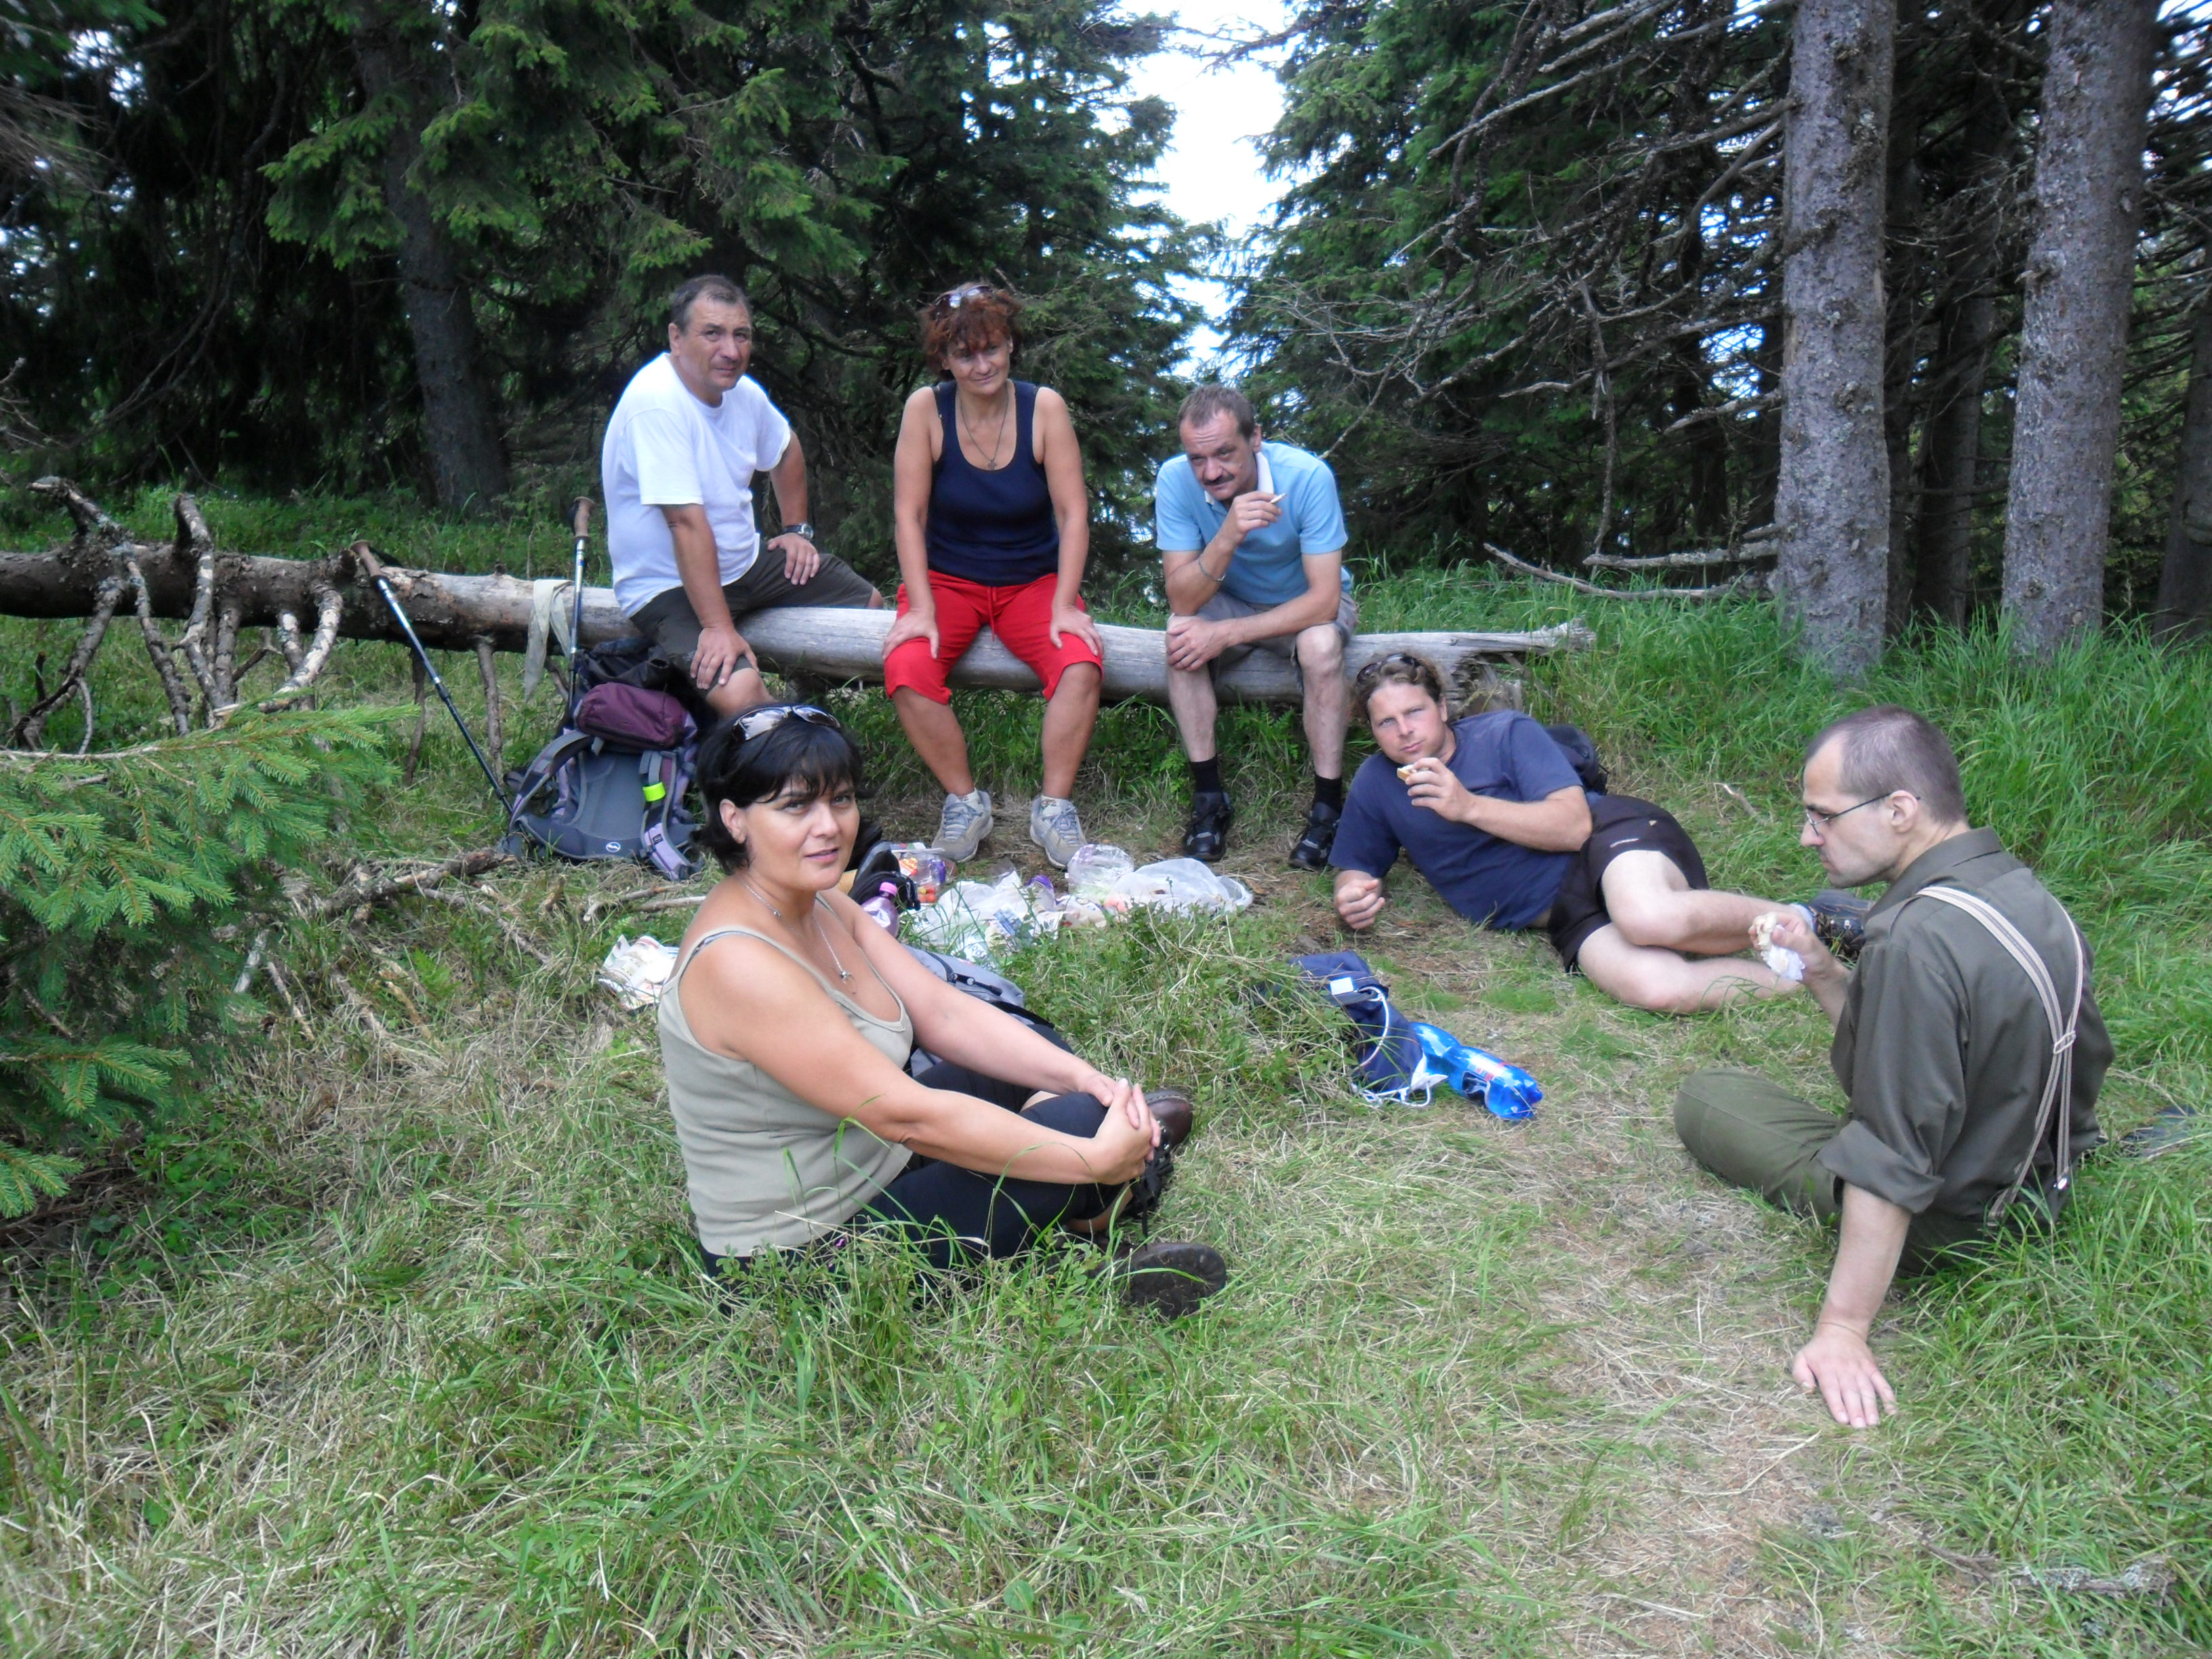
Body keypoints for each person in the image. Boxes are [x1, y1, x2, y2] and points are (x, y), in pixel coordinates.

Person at [660, 702, 1228, 1315]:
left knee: (1050, 1067)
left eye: (841, 800)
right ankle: (1092, 1224)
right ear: (735, 819)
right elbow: (908, 1117)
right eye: (796, 806)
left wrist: (1087, 1079)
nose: (828, 826)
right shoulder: (738, 963)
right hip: (801, 1261)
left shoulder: (819, 904)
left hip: (874, 1165)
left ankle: (1088, 1200)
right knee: (1079, 1129)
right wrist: (1091, 1157)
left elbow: (945, 1013)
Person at [1675, 707, 2110, 1428]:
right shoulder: (2021, 894)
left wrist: (1843, 1329)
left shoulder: (1914, 942)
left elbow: (1891, 1152)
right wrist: (1821, 969)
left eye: (1823, 816)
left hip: (1960, 1221)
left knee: (1708, 1096)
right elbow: (2044, 1053)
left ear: (1900, 810)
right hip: (2041, 1183)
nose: (1807, 836)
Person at [1330, 654, 1812, 1012]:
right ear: (1371, 730)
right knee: (1657, 987)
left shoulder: (1504, 734)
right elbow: (1357, 864)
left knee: (1647, 918)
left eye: (1414, 712)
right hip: (1562, 910)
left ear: (1441, 707)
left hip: (1610, 842)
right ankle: (1809, 977)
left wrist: (1469, 806)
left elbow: (1575, 826)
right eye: (1386, 722)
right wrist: (1352, 893)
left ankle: (1804, 920)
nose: (1404, 731)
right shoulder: (1377, 782)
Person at [884, 283, 1104, 868]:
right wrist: (921, 608)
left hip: (1033, 581)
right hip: (946, 581)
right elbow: (909, 516)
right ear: (944, 359)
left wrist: (1065, 604)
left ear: (1010, 346)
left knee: (1081, 662)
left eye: (992, 349)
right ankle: (965, 802)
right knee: (906, 665)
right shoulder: (926, 410)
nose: (982, 365)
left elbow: (1073, 514)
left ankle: (1053, 806)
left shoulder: (1044, 408)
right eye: (965, 355)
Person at [602, 274, 883, 718]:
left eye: (741, 335)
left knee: (868, 608)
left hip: (746, 564)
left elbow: (785, 449)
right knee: (744, 698)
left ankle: (809, 695)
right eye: (712, 333)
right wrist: (718, 627)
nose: (731, 351)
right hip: (669, 586)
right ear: (676, 337)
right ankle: (783, 744)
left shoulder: (744, 395)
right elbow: (685, 523)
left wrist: (796, 531)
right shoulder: (656, 402)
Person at [1153, 386, 1357, 869]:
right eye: (1197, 458)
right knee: (1182, 637)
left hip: (1304, 604)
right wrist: (1227, 535)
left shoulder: (1307, 477)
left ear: (1256, 439)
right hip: (1228, 599)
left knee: (1321, 647)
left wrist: (1226, 634)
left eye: (1225, 453)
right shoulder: (1175, 480)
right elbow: (1182, 598)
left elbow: (1325, 600)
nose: (1211, 472)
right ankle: (1209, 801)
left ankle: (1328, 808)